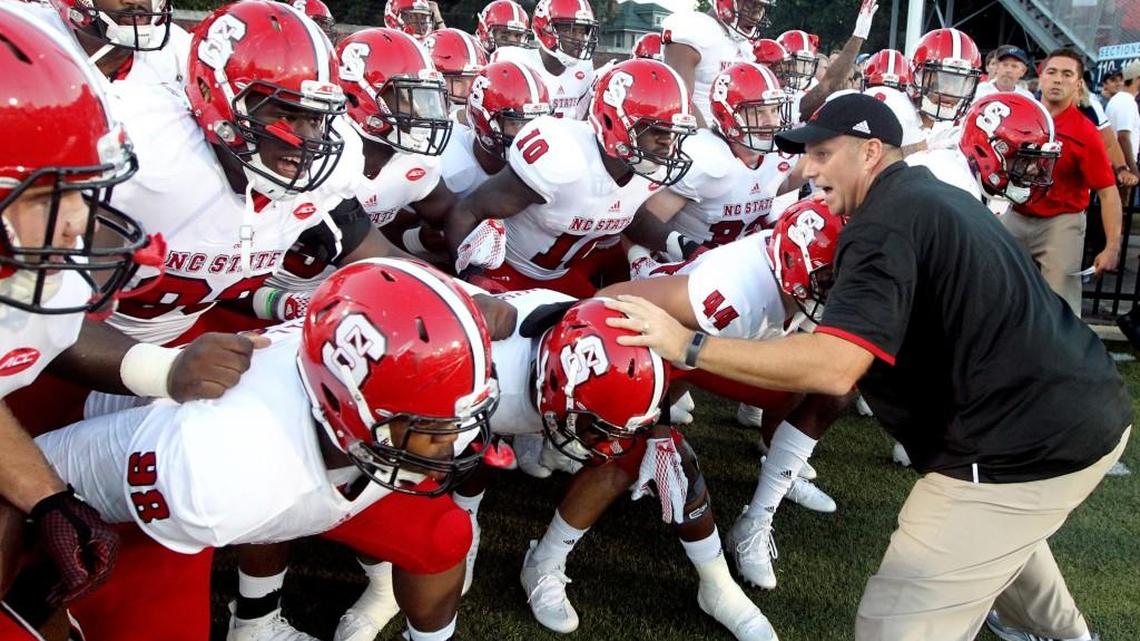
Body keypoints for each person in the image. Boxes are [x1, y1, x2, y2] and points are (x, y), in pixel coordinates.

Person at [604, 92, 1131, 641]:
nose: (808, 169)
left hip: (1017, 445)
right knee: (1009, 535)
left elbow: (835, 368)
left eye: (824, 153)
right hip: (1082, 410)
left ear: (871, 151)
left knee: (893, 626)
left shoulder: (884, 223)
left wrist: (690, 346)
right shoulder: (931, 193)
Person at [35, 259, 498, 641]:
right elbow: (49, 475)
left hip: (323, 454)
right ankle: (253, 623)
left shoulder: (360, 406)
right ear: (351, 405)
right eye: (435, 427)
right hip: (138, 504)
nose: (453, 444)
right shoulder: (221, 469)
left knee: (441, 536)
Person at [444, 58, 699, 297]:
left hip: (564, 274)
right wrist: (472, 278)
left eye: (674, 133)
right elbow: (465, 212)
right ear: (614, 121)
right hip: (506, 272)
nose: (668, 143)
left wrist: (689, 248)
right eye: (657, 130)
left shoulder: (649, 168)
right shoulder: (561, 158)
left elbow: (635, 216)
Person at [1005, 48, 1122, 314]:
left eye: (1067, 74)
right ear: (1041, 77)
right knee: (997, 289)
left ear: (1078, 84)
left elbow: (1107, 192)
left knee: (1060, 304)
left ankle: (1062, 354)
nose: (1058, 79)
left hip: (1061, 220)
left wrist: (1112, 245)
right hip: (1016, 211)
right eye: (1052, 72)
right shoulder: (1018, 118)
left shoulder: (1085, 132)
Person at [660, 0, 765, 126]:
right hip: (696, 135)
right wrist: (706, 139)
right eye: (751, 4)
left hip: (736, 136)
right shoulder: (693, 29)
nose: (756, 15)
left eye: (761, 6)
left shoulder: (745, 46)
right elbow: (680, 99)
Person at [491, 0, 597, 120]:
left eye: (582, 31)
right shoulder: (515, 61)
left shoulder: (584, 67)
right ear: (545, 30)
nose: (580, 39)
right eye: (569, 30)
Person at [1105, 60, 1140, 195]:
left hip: (1116, 166)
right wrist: (1132, 168)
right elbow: (1123, 137)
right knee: (1119, 211)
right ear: (1138, 79)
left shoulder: (1119, 99)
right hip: (1121, 169)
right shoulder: (1126, 101)